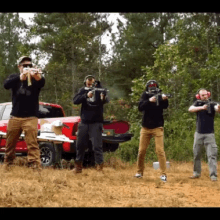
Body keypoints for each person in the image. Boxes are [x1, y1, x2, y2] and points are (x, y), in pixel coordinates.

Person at [3, 56, 45, 171]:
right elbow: (6, 85)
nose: (27, 67)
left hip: (31, 117)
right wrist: (20, 77)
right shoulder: (14, 78)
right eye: (24, 65)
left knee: (32, 143)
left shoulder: (36, 78)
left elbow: (42, 82)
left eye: (29, 65)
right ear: (19, 66)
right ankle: (8, 163)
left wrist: (35, 74)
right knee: (10, 142)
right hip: (15, 116)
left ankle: (35, 165)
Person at [134, 80, 169, 182]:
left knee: (160, 150)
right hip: (145, 127)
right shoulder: (145, 95)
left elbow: (165, 106)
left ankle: (163, 174)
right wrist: (149, 101)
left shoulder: (161, 95)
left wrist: (164, 99)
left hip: (158, 127)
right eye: (150, 87)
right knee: (141, 151)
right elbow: (140, 107)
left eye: (154, 87)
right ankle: (139, 172)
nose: (152, 88)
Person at [73, 75, 109, 173]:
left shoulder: (100, 90)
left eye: (91, 81)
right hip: (84, 122)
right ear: (85, 82)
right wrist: (86, 96)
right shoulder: (82, 90)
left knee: (97, 146)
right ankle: (78, 166)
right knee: (80, 145)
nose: (90, 83)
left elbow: (106, 100)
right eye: (88, 81)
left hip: (96, 122)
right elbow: (75, 101)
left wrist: (103, 96)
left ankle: (99, 167)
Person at [188, 88, 220, 181]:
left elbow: (217, 108)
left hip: (210, 134)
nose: (205, 96)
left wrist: (218, 107)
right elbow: (190, 109)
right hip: (198, 133)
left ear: (208, 94)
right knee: (196, 154)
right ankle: (196, 173)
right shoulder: (197, 103)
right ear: (199, 96)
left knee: (212, 155)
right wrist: (202, 108)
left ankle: (213, 175)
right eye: (203, 95)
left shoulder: (213, 103)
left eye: (206, 94)